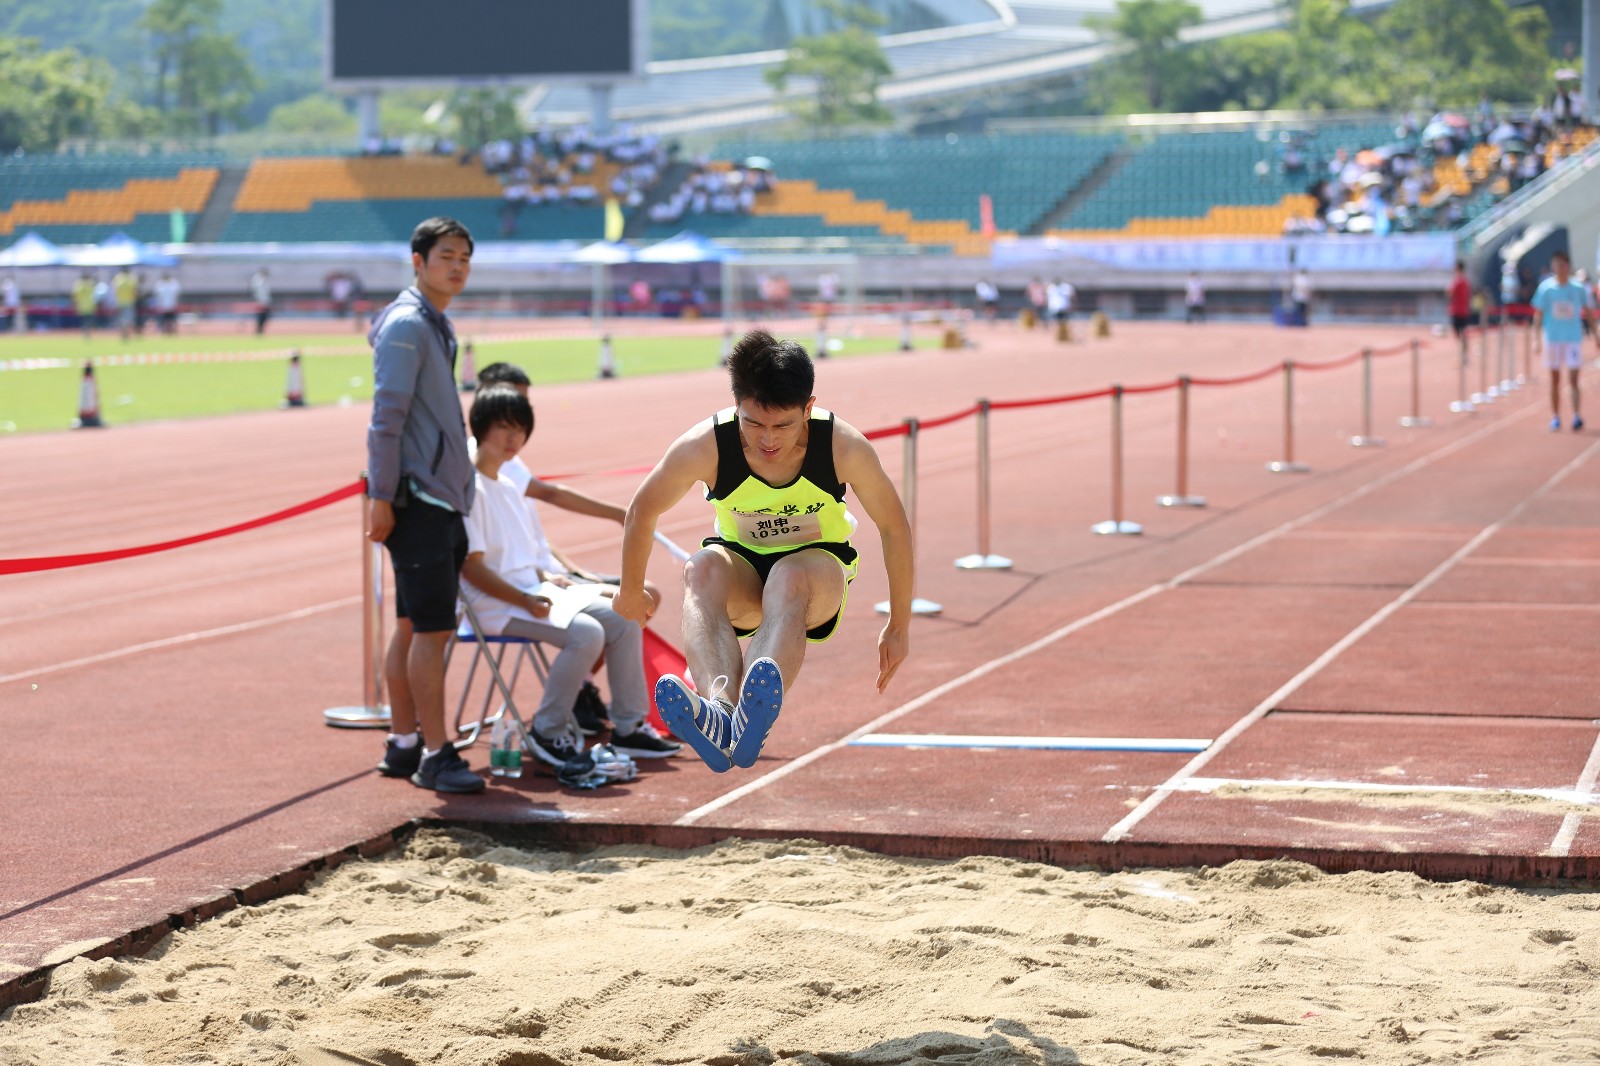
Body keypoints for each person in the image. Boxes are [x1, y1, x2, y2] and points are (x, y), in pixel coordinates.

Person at [614, 329, 914, 773]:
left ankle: (755, 712)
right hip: (743, 569)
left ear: (808, 408)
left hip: (816, 569)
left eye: (783, 426)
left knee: (788, 575)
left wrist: (899, 624)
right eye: (752, 424)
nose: (767, 440)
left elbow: (893, 526)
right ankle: (720, 710)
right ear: (736, 405)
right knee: (700, 569)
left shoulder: (842, 446)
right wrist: (630, 589)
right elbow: (642, 509)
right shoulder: (707, 445)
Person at [462, 385, 681, 765]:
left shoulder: (509, 485)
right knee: (587, 634)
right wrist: (525, 600)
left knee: (625, 616)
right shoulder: (471, 489)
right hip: (494, 603)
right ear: (480, 427)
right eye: (504, 428)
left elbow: (521, 555)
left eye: (520, 429)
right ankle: (547, 731)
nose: (514, 438)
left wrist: (548, 577)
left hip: (533, 590)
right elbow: (471, 567)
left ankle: (629, 728)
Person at [366, 216, 483, 793]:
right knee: (431, 631)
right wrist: (380, 497)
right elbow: (385, 419)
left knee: (413, 625)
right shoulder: (409, 326)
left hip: (436, 497)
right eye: (446, 256)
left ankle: (405, 742)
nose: (457, 266)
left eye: (464, 257)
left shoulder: (434, 323)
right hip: (419, 500)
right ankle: (438, 753)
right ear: (417, 261)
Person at [1529, 249, 1592, 432]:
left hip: (1572, 339)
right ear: (1553, 267)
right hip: (1553, 339)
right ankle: (1556, 416)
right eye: (1556, 265)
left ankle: (1576, 415)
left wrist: (1596, 335)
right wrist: (1536, 339)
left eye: (1563, 265)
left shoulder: (1578, 288)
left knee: (1573, 379)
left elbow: (1588, 312)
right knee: (1555, 380)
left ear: (1568, 266)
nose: (1560, 268)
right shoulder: (1546, 288)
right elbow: (1538, 314)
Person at [1447, 260, 1473, 363]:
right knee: (1463, 334)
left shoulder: (1458, 281)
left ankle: (1464, 355)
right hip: (1464, 310)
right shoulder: (1466, 281)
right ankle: (1464, 355)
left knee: (1460, 334)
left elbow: (1450, 293)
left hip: (1457, 311)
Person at [112, 267, 138, 341]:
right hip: (129, 301)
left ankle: (123, 332)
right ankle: (125, 332)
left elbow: (116, 291)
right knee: (128, 318)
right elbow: (134, 291)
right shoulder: (131, 278)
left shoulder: (118, 278)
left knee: (121, 318)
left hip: (120, 301)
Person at [71, 273, 97, 338]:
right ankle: (87, 332)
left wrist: (75, 303)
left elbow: (76, 295)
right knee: (88, 320)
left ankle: (85, 332)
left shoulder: (79, 284)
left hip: (81, 305)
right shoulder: (90, 283)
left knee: (84, 320)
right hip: (89, 305)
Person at [250, 268, 272, 335]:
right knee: (260, 317)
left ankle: (260, 330)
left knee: (265, 317)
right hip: (260, 302)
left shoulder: (264, 281)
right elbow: (256, 290)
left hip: (265, 302)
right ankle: (258, 330)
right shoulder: (258, 281)